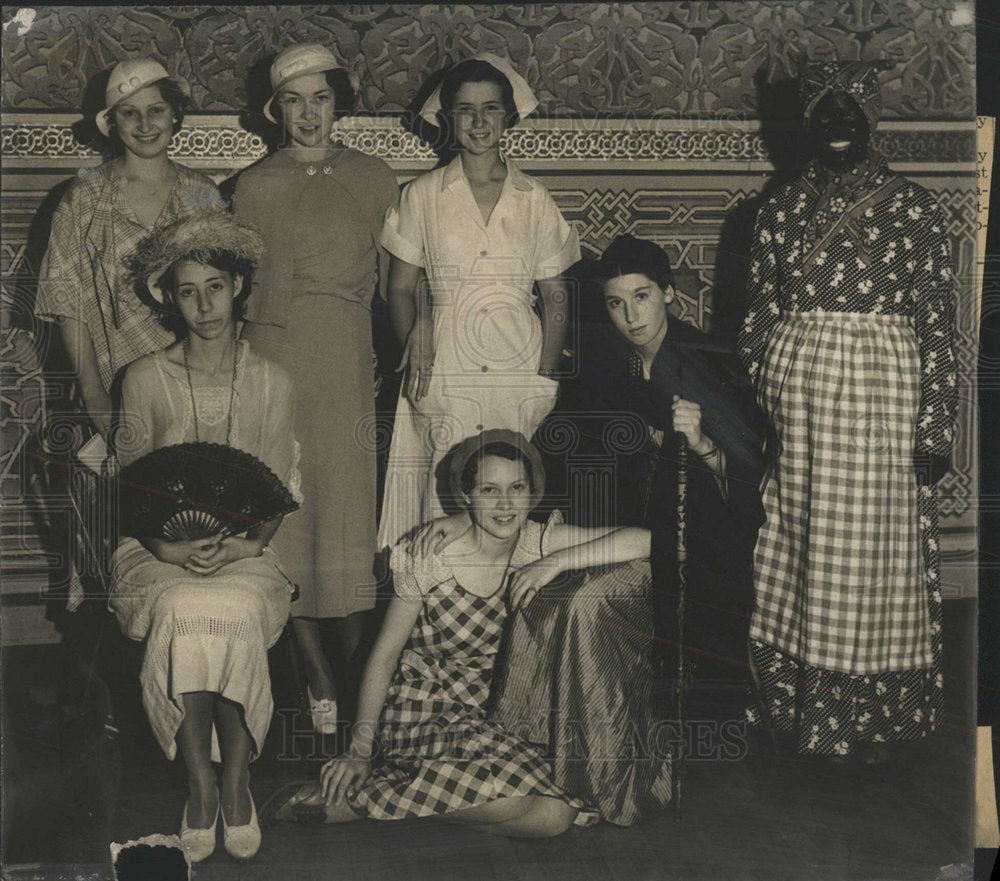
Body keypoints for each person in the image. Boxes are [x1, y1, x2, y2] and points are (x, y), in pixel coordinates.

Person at [417, 236, 766, 824]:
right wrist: (472, 517)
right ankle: (528, 761)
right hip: (636, 538)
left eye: (643, 297)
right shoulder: (617, 366)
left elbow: (751, 481)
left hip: (698, 559)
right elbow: (555, 456)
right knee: (541, 597)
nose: (630, 316)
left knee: (583, 601)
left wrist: (705, 444)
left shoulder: (706, 363)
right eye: (615, 303)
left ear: (669, 296)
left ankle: (598, 786)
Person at [262, 430, 652, 836]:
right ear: (466, 497)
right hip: (422, 709)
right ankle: (362, 797)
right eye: (488, 490)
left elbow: (645, 541)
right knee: (545, 812)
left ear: (532, 492)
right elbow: (384, 656)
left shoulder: (534, 542)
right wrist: (360, 749)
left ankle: (382, 798)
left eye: (516, 488)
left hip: (494, 710)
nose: (505, 504)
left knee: (553, 817)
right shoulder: (432, 554)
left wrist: (554, 563)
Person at [737, 61, 958, 763]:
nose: (838, 127)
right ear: (805, 124)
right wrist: (775, 386)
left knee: (871, 556)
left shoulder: (915, 208)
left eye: (851, 113)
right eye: (824, 113)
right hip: (799, 410)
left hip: (882, 406)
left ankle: (870, 717)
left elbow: (937, 324)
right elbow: (757, 318)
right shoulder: (779, 208)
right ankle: (795, 706)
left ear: (872, 120)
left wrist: (935, 429)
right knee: (796, 550)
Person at [110, 212, 301, 861]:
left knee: (234, 605)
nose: (204, 304)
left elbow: (277, 485)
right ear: (169, 296)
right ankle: (198, 785)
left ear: (238, 286)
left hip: (247, 549)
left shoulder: (273, 382)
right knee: (185, 607)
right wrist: (167, 547)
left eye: (215, 286)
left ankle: (237, 781)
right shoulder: (143, 378)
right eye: (187, 290)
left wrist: (248, 545)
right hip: (155, 551)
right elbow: (131, 493)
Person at [233, 43, 399, 732]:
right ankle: (316, 677)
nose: (308, 114)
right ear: (276, 111)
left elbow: (399, 291)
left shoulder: (375, 177)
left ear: (339, 103)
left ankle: (363, 680)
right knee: (288, 513)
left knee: (348, 514)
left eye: (320, 98)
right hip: (274, 359)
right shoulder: (249, 185)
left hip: (347, 357)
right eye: (293, 101)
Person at [377, 54, 579, 550]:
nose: (479, 122)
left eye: (491, 109)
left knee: (507, 494)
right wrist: (415, 345)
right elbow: (398, 288)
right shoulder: (421, 195)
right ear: (448, 119)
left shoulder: (533, 198)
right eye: (465, 110)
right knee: (442, 497)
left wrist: (545, 378)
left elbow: (554, 296)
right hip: (443, 365)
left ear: (508, 117)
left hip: (517, 362)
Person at [36, 57, 222, 437]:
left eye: (156, 110)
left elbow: (219, 298)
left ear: (175, 114)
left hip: (194, 384)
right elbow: (65, 302)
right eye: (129, 113)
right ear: (113, 123)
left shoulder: (203, 194)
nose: (145, 125)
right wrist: (93, 395)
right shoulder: (84, 197)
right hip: (111, 385)